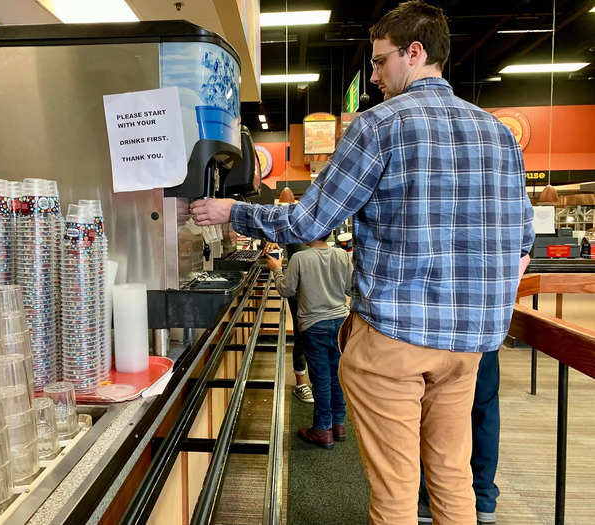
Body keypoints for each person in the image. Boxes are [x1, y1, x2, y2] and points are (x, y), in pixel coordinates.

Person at [190, 1, 534, 523]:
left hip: (396, 339)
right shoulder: (497, 134)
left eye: (379, 61)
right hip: (470, 346)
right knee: (452, 477)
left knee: (395, 493)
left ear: (414, 53)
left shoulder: (379, 125)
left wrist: (235, 211)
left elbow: (308, 224)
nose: (373, 75)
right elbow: (523, 241)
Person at [264, 235, 353, 448]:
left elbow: (286, 290)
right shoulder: (341, 255)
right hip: (340, 322)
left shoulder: (300, 258)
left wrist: (276, 268)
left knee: (321, 378)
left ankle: (323, 429)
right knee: (337, 375)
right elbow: (351, 288)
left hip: (314, 325)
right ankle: (338, 424)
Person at [418, 351, 501, 525]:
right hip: (486, 332)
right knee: (485, 405)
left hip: (447, 339)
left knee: (436, 401)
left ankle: (428, 496)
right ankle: (484, 499)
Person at [264, 241, 315, 404]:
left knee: (318, 335)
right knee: (302, 333)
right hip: (297, 283)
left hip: (318, 280)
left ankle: (317, 382)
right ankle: (301, 384)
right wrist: (272, 243)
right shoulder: (288, 224)